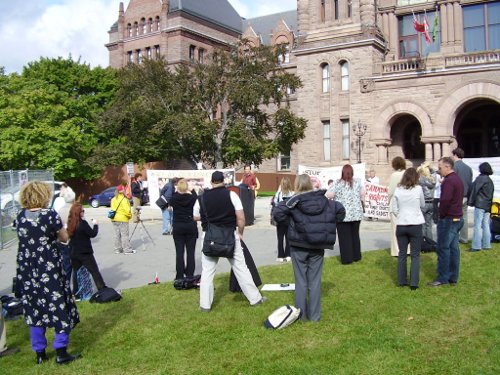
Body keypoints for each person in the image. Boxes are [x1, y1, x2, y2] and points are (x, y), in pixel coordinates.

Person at [15, 181, 80, 365]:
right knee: (58, 306)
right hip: (49, 269)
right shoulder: (49, 215)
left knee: (34, 310)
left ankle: (40, 354)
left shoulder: (20, 217)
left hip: (27, 271)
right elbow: (64, 237)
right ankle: (61, 351)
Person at [273, 174, 345, 322]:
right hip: (316, 246)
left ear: (297, 185)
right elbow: (340, 211)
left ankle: (301, 316)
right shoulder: (306, 201)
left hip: (299, 246)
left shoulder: (297, 201)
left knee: (301, 281)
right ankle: (314, 317)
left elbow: (277, 213)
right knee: (314, 281)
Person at [194, 171, 266, 311]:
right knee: (241, 268)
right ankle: (255, 299)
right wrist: (240, 233)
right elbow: (241, 218)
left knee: (207, 272)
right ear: (223, 181)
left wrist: (208, 218)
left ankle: (205, 305)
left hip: (209, 236)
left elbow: (195, 216)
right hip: (229, 236)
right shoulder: (231, 195)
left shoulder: (201, 198)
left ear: (211, 182)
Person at [428, 157, 464, 287]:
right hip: (457, 217)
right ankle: (453, 276)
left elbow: (445, 201)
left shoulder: (449, 181)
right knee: (453, 248)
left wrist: (441, 215)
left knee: (443, 248)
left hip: (449, 218)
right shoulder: (457, 179)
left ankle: (443, 277)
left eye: (440, 167)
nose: (439, 170)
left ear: (448, 167)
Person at [390, 168, 425, 290]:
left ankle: (401, 280)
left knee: (402, 253)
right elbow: (422, 204)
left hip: (402, 224)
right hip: (415, 223)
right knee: (415, 254)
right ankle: (414, 282)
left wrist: (400, 214)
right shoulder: (418, 189)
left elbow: (394, 208)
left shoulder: (398, 190)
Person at [327, 164, 365, 264]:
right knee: (355, 236)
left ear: (342, 172)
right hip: (356, 214)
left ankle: (347, 258)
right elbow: (362, 195)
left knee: (344, 238)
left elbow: (328, 195)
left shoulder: (337, 183)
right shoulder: (358, 182)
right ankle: (356, 256)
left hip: (342, 215)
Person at [67, 203, 107, 295]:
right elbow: (92, 234)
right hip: (85, 252)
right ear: (78, 213)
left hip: (73, 252)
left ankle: (76, 292)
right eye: (82, 211)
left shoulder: (70, 223)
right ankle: (102, 288)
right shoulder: (82, 224)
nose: (83, 213)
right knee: (94, 271)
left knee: (76, 272)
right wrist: (95, 225)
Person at [169, 179, 198, 280]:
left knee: (179, 252)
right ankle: (190, 274)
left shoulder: (174, 198)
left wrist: (178, 190)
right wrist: (192, 189)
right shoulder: (192, 198)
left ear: (177, 188)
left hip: (178, 226)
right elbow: (196, 197)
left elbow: (170, 199)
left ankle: (179, 275)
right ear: (186, 188)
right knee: (191, 252)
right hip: (190, 225)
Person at [468, 162, 494, 252]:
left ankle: (476, 246)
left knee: (477, 225)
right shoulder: (489, 180)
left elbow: (474, 190)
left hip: (480, 204)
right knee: (486, 225)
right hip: (487, 205)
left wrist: (470, 201)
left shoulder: (480, 179)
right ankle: (487, 244)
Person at [451, 148, 473, 243]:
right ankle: (464, 238)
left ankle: (455, 237)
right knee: (464, 217)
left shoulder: (454, 167)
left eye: (453, 155)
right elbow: (470, 182)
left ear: (455, 155)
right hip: (466, 195)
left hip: (456, 196)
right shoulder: (468, 168)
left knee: (455, 217)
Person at [272, 177, 294, 262]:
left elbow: (275, 203)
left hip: (280, 219)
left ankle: (280, 256)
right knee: (288, 237)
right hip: (288, 218)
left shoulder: (279, 194)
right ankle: (288, 254)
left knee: (280, 237)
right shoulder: (292, 193)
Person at [388, 156, 407, 257]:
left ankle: (397, 250)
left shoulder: (395, 175)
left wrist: (387, 201)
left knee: (395, 227)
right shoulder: (406, 173)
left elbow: (391, 191)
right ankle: (407, 249)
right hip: (406, 203)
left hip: (396, 203)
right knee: (406, 225)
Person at [111, 185, 135, 255]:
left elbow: (112, 209)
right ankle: (127, 249)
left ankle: (117, 249)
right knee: (124, 235)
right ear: (123, 191)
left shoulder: (113, 199)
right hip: (122, 219)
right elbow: (127, 210)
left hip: (114, 218)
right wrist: (129, 216)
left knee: (117, 234)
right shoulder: (124, 199)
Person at [417, 162, 436, 241]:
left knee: (422, 224)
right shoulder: (432, 179)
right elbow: (434, 171)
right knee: (429, 224)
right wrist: (429, 167)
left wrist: (423, 167)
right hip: (431, 202)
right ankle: (430, 241)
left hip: (424, 202)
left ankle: (422, 242)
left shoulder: (421, 179)